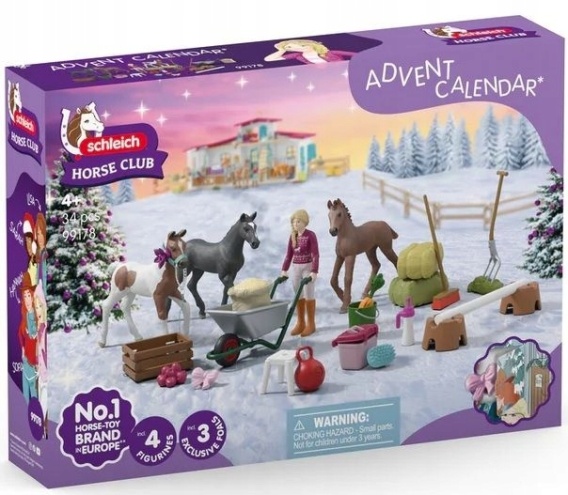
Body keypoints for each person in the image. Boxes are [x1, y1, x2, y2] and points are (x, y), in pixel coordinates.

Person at [281, 209, 319, 337]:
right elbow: (288, 255)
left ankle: (311, 324)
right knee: (298, 294)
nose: (295, 224)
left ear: (304, 222)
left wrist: (314, 271)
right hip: (296, 267)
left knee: (308, 294)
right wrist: (284, 270)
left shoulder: (310, 235)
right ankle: (301, 322)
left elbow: (315, 254)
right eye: (294, 222)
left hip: (307, 267)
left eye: (298, 221)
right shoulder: (293, 236)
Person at [18, 272, 38, 404]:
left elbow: (33, 334)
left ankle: (34, 410)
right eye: (24, 296)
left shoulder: (34, 314)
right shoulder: (25, 314)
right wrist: (23, 349)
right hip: (26, 357)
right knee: (25, 388)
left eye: (29, 295)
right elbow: (21, 334)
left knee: (32, 387)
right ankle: (25, 411)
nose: (27, 299)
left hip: (33, 357)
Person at [264, 39, 355, 65]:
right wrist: (282, 50)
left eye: (303, 46)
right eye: (290, 47)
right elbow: (268, 59)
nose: (298, 48)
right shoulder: (298, 55)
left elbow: (357, 55)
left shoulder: (331, 53)